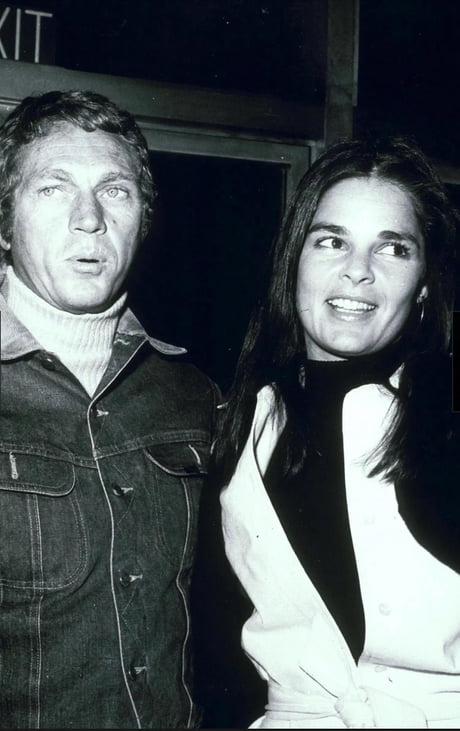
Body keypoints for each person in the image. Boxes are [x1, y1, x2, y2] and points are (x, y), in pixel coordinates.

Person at [192, 136, 460, 728]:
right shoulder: (242, 425)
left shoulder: (447, 413)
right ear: (295, 260)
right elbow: (215, 658)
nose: (357, 271)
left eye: (393, 248)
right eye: (332, 241)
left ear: (423, 283)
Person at [0, 89, 220, 729]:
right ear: (4, 224)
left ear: (142, 221)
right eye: (54, 188)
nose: (89, 218)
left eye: (115, 190)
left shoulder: (198, 397)